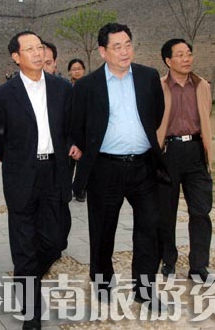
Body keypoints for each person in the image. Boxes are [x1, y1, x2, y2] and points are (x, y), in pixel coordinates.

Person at [0, 31, 81, 330]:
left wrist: (71, 144)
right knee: (24, 246)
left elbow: (70, 126)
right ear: (16, 57)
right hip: (21, 176)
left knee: (56, 240)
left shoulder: (61, 88)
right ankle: (32, 313)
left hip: (55, 172)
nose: (38, 53)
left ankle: (26, 276)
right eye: (30, 49)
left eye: (40, 47)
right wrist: (17, 160)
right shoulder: (2, 96)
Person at [71, 23, 165, 305]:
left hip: (144, 166)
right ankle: (102, 283)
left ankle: (145, 290)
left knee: (150, 227)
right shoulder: (88, 85)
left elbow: (156, 114)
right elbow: (78, 125)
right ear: (103, 51)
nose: (125, 52)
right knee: (102, 230)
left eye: (128, 45)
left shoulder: (148, 77)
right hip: (105, 168)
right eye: (117, 47)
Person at [156, 38, 214, 283]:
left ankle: (199, 266)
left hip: (196, 151)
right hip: (168, 152)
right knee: (165, 212)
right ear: (168, 61)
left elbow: (206, 114)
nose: (186, 58)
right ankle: (168, 260)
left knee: (201, 211)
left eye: (188, 53)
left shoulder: (202, 86)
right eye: (180, 55)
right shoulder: (158, 87)